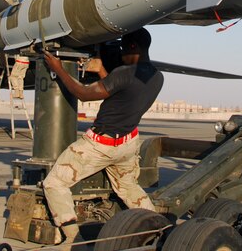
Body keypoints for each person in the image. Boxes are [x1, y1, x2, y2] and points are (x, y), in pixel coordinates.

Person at [42, 28, 164, 248]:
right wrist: (102, 72)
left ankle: (71, 235)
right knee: (128, 187)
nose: (120, 52)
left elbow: (83, 93)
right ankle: (158, 226)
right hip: (127, 143)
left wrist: (58, 69)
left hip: (100, 145)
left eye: (123, 48)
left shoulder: (124, 73)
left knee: (55, 182)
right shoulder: (157, 76)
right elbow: (123, 91)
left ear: (133, 47)